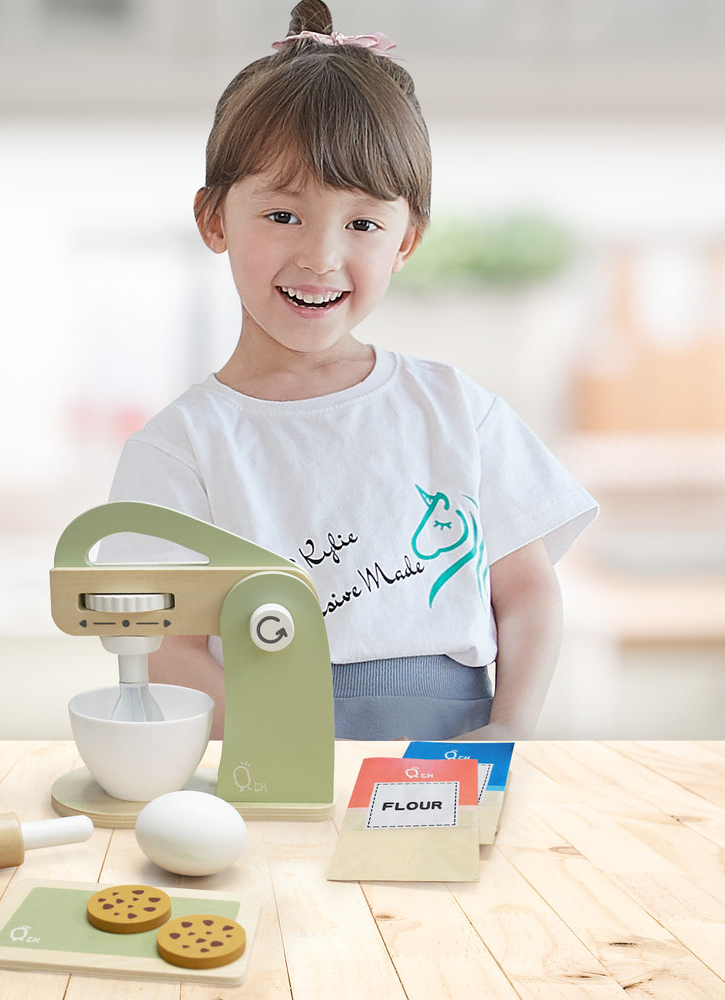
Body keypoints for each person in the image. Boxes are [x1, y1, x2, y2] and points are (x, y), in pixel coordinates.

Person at [103, 0, 598, 742]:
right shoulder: (180, 450)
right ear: (213, 219)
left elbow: (526, 592)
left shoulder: (455, 409)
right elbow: (168, 652)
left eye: (362, 223)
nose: (320, 256)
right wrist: (298, 748)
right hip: (269, 755)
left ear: (407, 241)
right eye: (282, 215)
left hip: (458, 757)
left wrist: (511, 728)